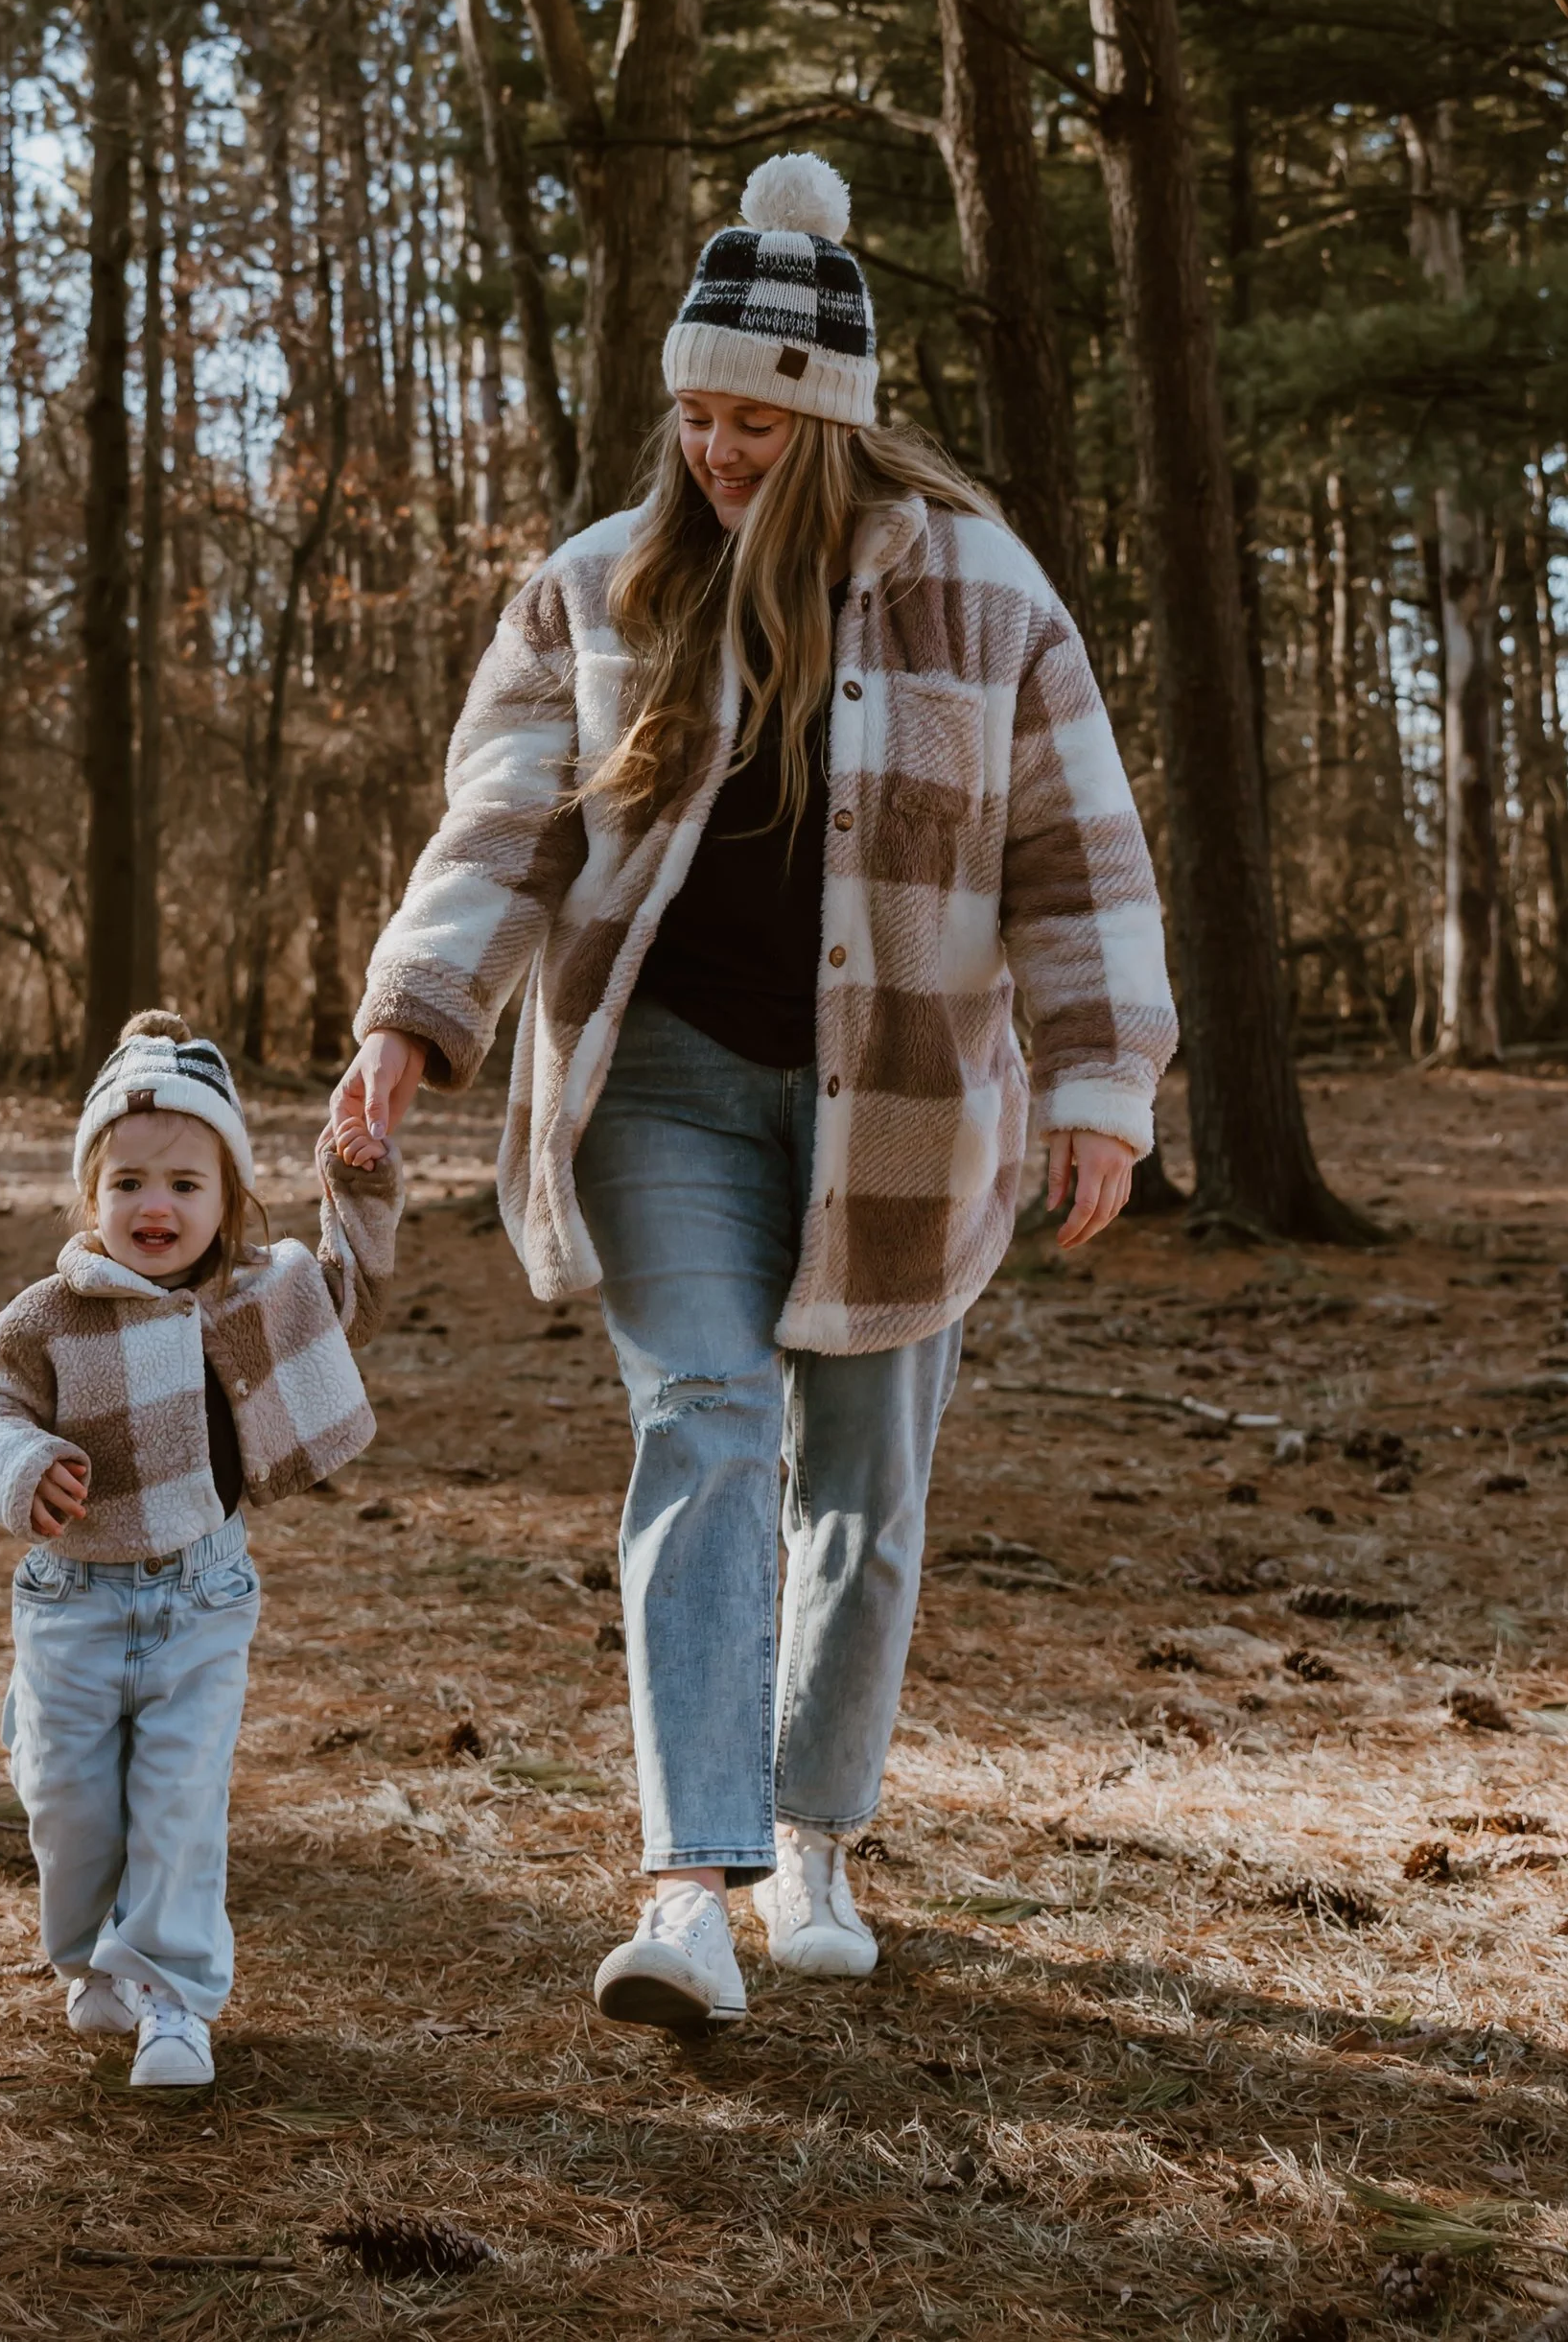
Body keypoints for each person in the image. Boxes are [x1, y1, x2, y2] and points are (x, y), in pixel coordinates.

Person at [323, 154, 1175, 2038]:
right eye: (695, 413)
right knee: (704, 1425)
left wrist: (1099, 1081)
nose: (716, 449)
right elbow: (499, 830)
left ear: (835, 418)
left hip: (903, 1106)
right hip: (664, 1093)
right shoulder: (595, 589)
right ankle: (684, 1884)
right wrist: (410, 1018)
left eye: (755, 420)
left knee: (860, 1491)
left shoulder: (978, 584)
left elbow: (1074, 855)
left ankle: (809, 1835)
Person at [0, 1007, 401, 2089]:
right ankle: (89, 1956)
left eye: (185, 1185)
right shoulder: (51, 1314)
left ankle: (173, 2000)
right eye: (128, 1184)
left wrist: (360, 1182)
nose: (155, 1207)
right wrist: (23, 1469)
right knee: (72, 1809)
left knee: (178, 1798)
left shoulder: (264, 1295)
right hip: (72, 1599)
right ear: (91, 1196)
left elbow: (358, 1291)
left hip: (204, 1595)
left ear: (229, 1198)